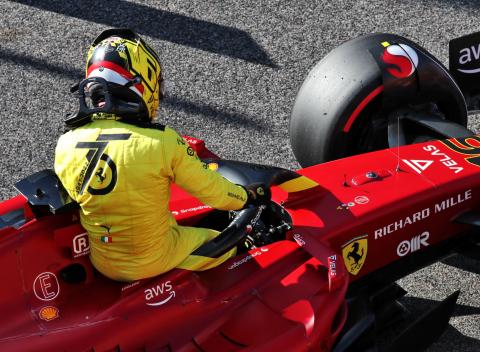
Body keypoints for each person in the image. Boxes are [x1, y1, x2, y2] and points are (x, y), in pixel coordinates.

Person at [54, 28, 268, 282]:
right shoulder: (160, 141)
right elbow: (217, 195)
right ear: (141, 82)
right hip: (154, 259)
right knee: (225, 241)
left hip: (103, 263)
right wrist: (248, 196)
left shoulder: (66, 144)